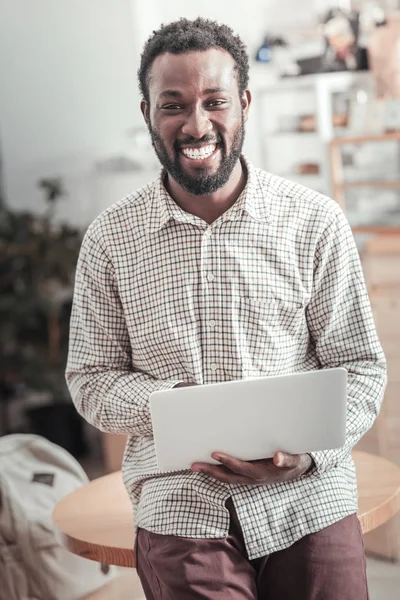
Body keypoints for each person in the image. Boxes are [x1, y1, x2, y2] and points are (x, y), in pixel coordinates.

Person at [66, 17, 387, 600]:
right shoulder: (110, 239)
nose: (196, 124)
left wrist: (309, 456)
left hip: (308, 494)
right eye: (173, 104)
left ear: (243, 105)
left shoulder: (316, 221)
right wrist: (172, 410)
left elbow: (363, 368)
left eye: (214, 101)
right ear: (147, 113)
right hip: (179, 500)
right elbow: (89, 379)